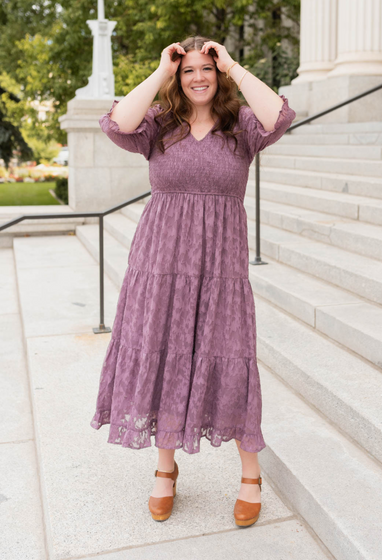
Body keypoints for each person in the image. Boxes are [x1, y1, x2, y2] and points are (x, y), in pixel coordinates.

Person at [90, 35, 296, 527]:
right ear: (178, 78)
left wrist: (235, 65)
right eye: (189, 70)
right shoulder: (160, 125)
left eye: (207, 68)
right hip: (159, 263)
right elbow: (116, 122)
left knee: (231, 356)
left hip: (221, 269)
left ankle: (251, 473)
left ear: (218, 73)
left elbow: (279, 116)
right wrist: (162, 69)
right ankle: (165, 469)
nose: (198, 77)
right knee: (162, 350)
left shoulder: (241, 126)